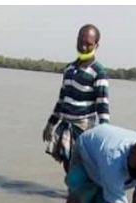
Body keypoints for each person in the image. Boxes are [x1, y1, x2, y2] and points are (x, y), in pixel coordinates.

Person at [42, 23, 110, 172]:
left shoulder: (98, 72)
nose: (84, 47)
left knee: (81, 170)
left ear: (96, 46)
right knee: (68, 167)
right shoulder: (69, 69)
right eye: (81, 42)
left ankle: (77, 194)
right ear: (77, 40)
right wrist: (51, 123)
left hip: (83, 129)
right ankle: (70, 193)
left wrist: (105, 135)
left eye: (89, 44)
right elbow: (62, 100)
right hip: (65, 126)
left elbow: (103, 106)